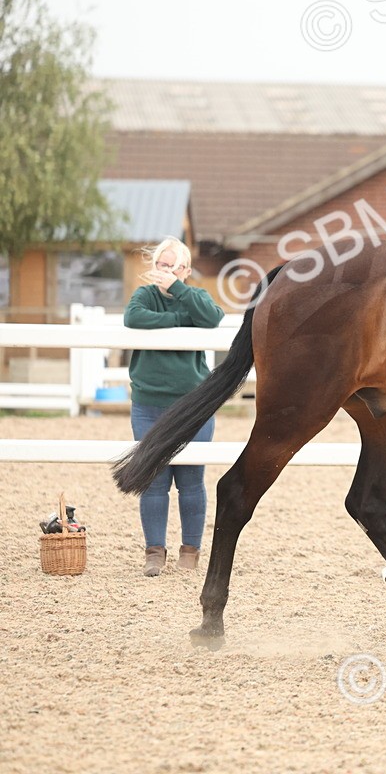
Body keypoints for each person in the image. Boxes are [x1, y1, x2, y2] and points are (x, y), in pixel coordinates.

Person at [124, 236, 224, 576]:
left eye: (172, 266)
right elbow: (134, 318)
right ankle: (155, 552)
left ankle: (190, 551)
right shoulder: (144, 296)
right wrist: (180, 322)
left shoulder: (195, 297)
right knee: (153, 479)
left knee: (191, 481)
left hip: (193, 404)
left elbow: (212, 317)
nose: (164, 272)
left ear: (186, 270)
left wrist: (180, 293)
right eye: (160, 265)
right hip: (149, 402)